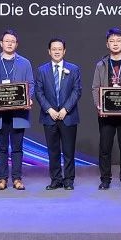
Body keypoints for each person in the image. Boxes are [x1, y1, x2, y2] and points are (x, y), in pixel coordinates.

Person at [0, 29, 34, 191]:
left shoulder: (25, 63)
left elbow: (31, 84)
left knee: (17, 147)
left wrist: (29, 97)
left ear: (16, 44)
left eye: (12, 41)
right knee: (1, 147)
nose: (9, 43)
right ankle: (2, 179)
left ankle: (17, 178)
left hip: (19, 112)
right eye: (7, 41)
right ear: (1, 43)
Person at [91, 27, 121, 190]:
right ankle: (105, 179)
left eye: (118, 41)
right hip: (106, 115)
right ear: (107, 44)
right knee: (105, 149)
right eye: (112, 41)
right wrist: (99, 105)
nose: (115, 43)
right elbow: (95, 87)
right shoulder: (101, 64)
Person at [34, 38, 82, 190]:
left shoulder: (74, 69)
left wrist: (65, 109)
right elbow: (38, 92)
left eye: (59, 49)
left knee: (69, 151)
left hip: (68, 116)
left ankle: (68, 180)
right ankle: (55, 180)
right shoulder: (42, 70)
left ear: (64, 51)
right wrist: (50, 110)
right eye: (54, 49)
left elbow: (77, 91)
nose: (56, 51)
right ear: (49, 51)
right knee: (53, 151)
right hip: (49, 117)